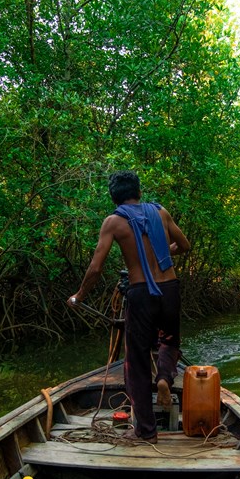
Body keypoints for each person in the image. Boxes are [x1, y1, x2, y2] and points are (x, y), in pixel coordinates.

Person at [67, 170, 190, 443]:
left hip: (141, 292)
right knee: (170, 342)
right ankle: (164, 379)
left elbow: (96, 267)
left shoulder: (113, 222)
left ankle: (146, 432)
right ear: (139, 192)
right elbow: (184, 245)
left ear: (114, 197)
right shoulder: (161, 213)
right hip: (170, 289)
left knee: (135, 362)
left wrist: (80, 295)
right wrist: (162, 250)